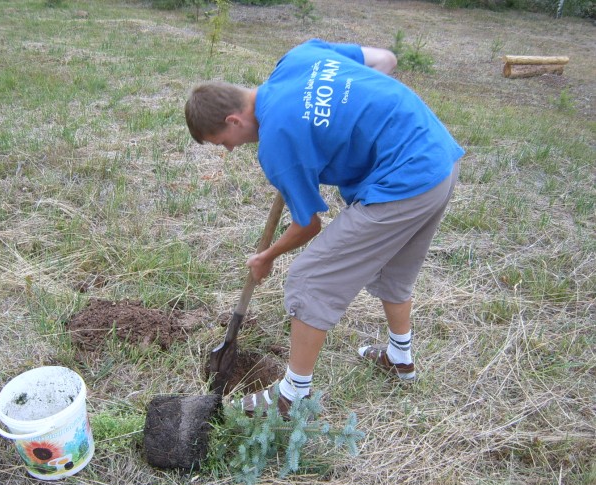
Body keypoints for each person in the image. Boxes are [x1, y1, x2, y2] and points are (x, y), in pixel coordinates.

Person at [185, 39, 464, 417]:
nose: (230, 150)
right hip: (438, 159)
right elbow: (386, 59)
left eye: (223, 142)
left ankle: (291, 396)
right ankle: (400, 358)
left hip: (404, 183)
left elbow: (308, 225)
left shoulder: (277, 142)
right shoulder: (299, 58)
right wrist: (344, 114)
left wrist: (267, 256)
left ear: (233, 120)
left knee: (310, 279)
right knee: (394, 268)